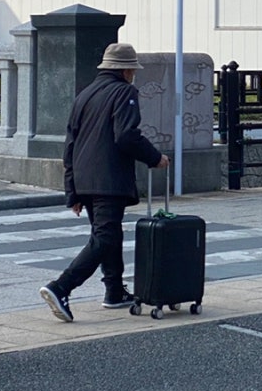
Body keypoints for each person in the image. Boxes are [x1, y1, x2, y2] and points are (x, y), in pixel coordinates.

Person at [39, 43, 170, 322]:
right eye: (132, 70)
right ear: (124, 70)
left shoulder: (84, 95)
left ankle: (114, 291)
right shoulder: (124, 92)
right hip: (108, 179)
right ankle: (61, 287)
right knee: (105, 238)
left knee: (108, 236)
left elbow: (70, 144)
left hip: (85, 178)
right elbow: (126, 136)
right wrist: (154, 157)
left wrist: (71, 190)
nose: (133, 75)